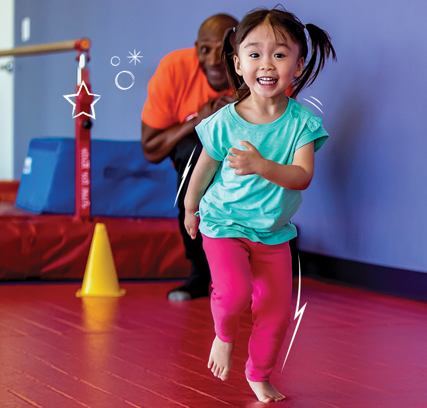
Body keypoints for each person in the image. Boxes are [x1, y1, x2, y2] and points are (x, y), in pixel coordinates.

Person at [183, 6, 336, 403]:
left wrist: (262, 166)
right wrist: (190, 207)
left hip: (273, 232)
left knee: (275, 312)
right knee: (233, 292)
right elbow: (201, 170)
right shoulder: (224, 122)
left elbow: (302, 176)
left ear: (298, 65)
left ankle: (259, 373)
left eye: (280, 54)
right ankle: (223, 336)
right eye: (254, 54)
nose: (266, 64)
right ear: (237, 63)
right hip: (224, 223)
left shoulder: (302, 124)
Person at [141, 13, 238, 301]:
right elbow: (151, 149)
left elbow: (281, 136)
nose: (213, 60)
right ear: (196, 48)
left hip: (246, 151)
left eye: (224, 51)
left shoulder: (260, 69)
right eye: (206, 50)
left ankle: (254, 269)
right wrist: (200, 119)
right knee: (193, 153)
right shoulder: (174, 69)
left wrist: (242, 110)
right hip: (194, 155)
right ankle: (200, 272)